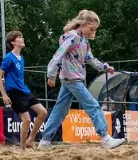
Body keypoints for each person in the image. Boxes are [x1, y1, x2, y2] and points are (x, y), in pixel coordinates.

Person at [37, 10, 125, 149]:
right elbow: (58, 55)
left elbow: (90, 59)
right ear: (83, 24)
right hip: (72, 79)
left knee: (60, 110)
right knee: (93, 106)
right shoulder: (72, 37)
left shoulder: (84, 40)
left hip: (70, 79)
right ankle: (105, 138)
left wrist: (105, 67)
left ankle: (45, 141)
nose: (93, 32)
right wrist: (51, 74)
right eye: (91, 29)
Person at [0, 30, 48, 150]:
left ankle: (30, 140)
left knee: (43, 112)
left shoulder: (21, 58)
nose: (22, 39)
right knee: (27, 120)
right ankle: (22, 150)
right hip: (14, 92)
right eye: (19, 37)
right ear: (13, 42)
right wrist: (4, 95)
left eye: (22, 36)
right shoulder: (9, 58)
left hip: (25, 90)